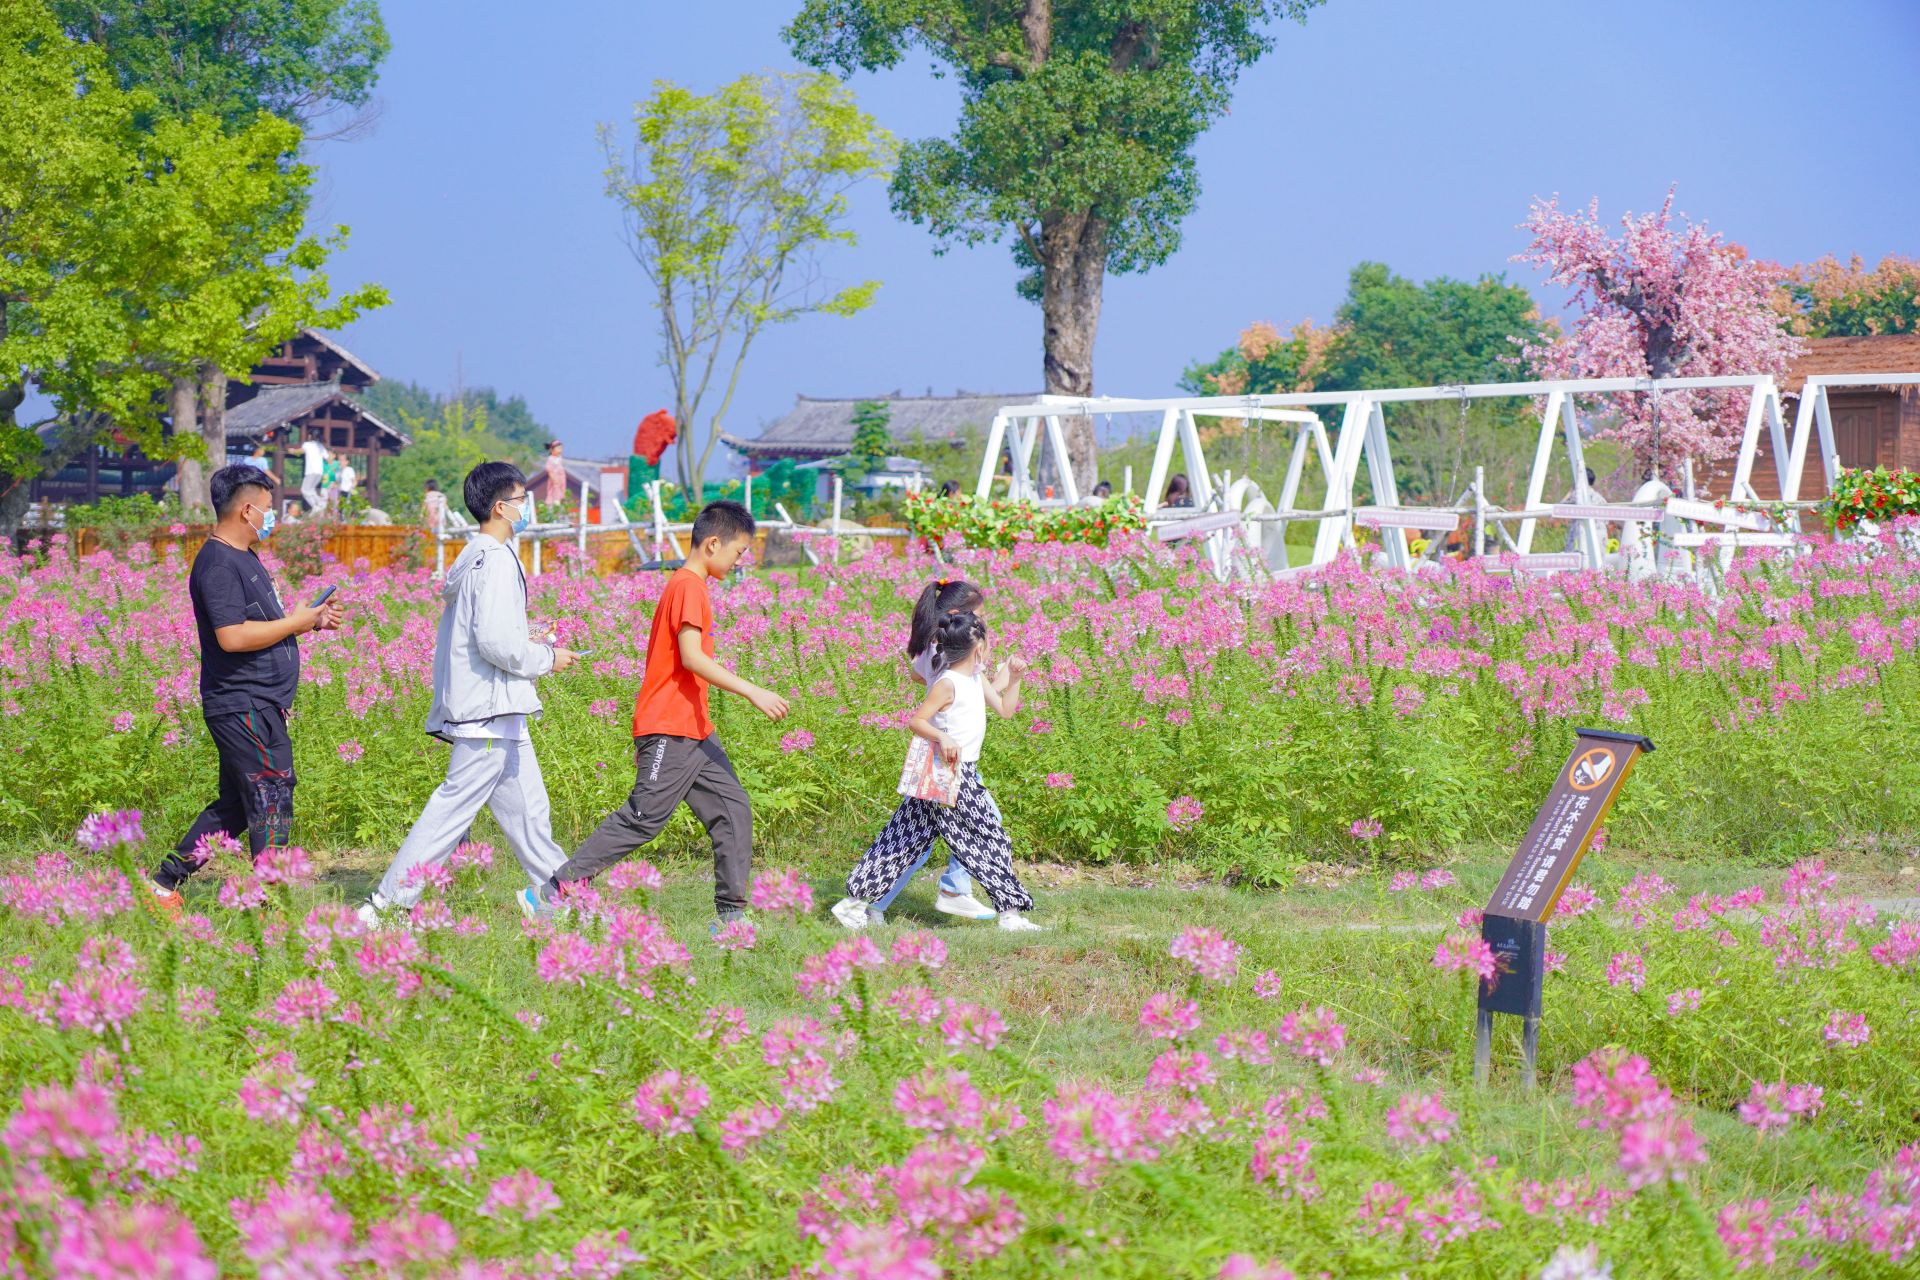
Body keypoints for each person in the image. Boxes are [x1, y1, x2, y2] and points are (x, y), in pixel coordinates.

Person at [526, 500, 789, 927]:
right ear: (713, 544)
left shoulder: (692, 585)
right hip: (669, 727)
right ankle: (552, 893)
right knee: (643, 818)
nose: (742, 561)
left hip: (695, 730)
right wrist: (752, 691)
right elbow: (691, 657)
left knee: (733, 809)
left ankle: (730, 917)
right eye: (739, 552)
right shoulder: (688, 586)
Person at [358, 463, 582, 927]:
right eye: (522, 500)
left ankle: (560, 899)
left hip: (501, 708)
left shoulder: (477, 555)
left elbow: (493, 629)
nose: (527, 508)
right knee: (451, 809)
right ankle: (385, 907)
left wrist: (529, 634)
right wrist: (546, 658)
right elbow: (496, 644)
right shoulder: (496, 559)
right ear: (501, 507)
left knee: (530, 812)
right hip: (487, 708)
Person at [148, 465, 343, 914]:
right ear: (247, 509)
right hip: (242, 703)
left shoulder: (245, 558)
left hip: (258, 703)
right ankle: (269, 903)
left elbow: (260, 628)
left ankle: (162, 885)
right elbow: (231, 637)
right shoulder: (218, 563)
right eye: (270, 509)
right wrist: (298, 620)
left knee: (236, 804)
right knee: (272, 791)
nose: (273, 518)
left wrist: (307, 622)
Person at [835, 611, 1040, 932]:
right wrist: (943, 737)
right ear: (979, 648)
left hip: (948, 773)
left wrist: (1014, 678)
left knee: (903, 840)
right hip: (951, 775)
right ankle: (1010, 915)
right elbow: (917, 720)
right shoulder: (947, 683)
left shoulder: (974, 678)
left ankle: (854, 905)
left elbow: (1005, 709)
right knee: (988, 839)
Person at [299, 435, 328, 512]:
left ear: (309, 436)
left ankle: (317, 505)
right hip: (319, 473)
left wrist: (292, 450)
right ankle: (319, 504)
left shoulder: (306, 444)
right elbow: (327, 457)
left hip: (311, 471)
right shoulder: (320, 446)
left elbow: (300, 451)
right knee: (311, 490)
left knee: (304, 490)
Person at [543, 440, 568, 508]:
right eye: (558, 448)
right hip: (554, 478)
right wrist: (553, 478)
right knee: (554, 489)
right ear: (552, 450)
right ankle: (553, 501)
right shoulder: (550, 459)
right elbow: (549, 469)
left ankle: (561, 499)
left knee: (561, 489)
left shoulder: (560, 459)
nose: (560, 450)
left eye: (561, 448)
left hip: (561, 478)